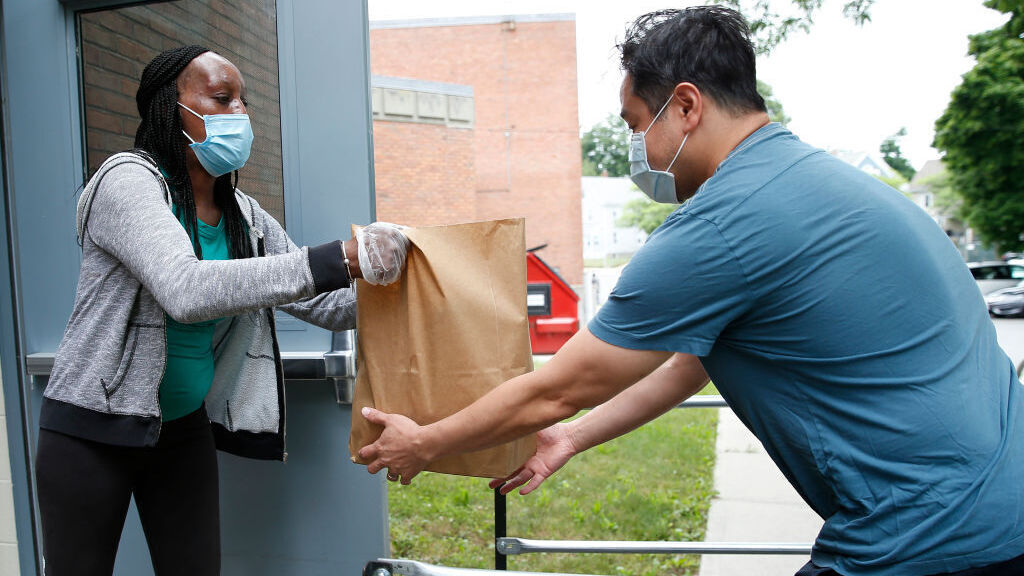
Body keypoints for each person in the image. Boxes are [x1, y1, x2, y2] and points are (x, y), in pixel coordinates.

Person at [357, 7, 1024, 576]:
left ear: (685, 106)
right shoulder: (818, 184)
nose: (636, 149)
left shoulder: (725, 226)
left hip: (933, 536)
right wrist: (573, 439)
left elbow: (558, 387)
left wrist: (428, 442)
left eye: (634, 123)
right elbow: (690, 363)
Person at [35, 45, 409, 576]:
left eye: (244, 103)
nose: (240, 115)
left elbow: (326, 303)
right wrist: (337, 257)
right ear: (171, 107)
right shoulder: (126, 181)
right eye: (221, 98)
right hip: (92, 429)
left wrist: (394, 277)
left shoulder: (242, 214)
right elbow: (186, 289)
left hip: (180, 428)